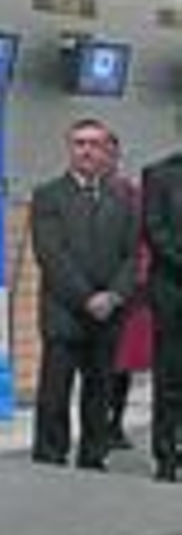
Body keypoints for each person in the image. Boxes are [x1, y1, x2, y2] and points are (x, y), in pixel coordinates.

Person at [29, 118, 137, 471]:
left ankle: (93, 458)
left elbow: (132, 255)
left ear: (107, 150)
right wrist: (88, 298)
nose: (87, 150)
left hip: (109, 315)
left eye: (94, 143)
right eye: (79, 143)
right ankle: (49, 458)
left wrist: (115, 296)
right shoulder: (48, 195)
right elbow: (51, 255)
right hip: (64, 313)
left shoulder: (122, 198)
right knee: (54, 396)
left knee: (99, 393)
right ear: (69, 149)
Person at [106, 131, 151, 450]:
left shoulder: (134, 195)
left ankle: (114, 425)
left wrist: (138, 282)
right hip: (91, 294)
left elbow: (143, 244)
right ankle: (96, 427)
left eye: (110, 152)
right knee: (99, 367)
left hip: (131, 294)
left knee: (123, 365)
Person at [143, 143, 182, 481]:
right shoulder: (159, 174)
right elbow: (155, 231)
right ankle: (166, 456)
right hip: (172, 289)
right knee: (170, 378)